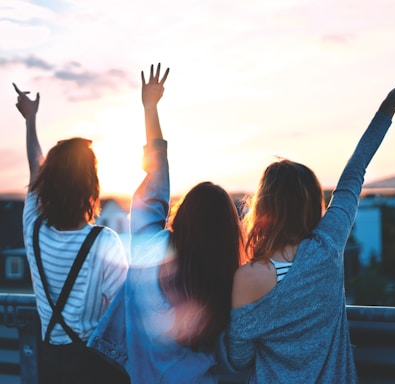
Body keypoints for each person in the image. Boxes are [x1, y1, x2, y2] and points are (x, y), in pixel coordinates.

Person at [220, 83, 395, 383]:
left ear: (263, 205)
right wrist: (387, 109)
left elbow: (239, 361)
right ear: (311, 204)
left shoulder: (249, 277)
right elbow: (354, 174)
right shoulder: (327, 244)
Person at [88, 63, 244, 383]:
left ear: (183, 214)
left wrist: (150, 108)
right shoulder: (225, 279)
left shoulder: (150, 249)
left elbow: (156, 178)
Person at [14, 83, 129, 384]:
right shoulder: (104, 242)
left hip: (49, 365)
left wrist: (30, 121)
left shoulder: (33, 228)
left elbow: (35, 172)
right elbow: (122, 313)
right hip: (94, 368)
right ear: (91, 187)